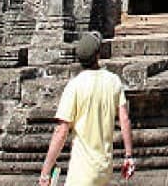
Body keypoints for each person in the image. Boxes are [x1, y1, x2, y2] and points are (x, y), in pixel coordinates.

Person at [39, 31, 135, 185]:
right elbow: (124, 119)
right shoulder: (113, 81)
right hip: (104, 169)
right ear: (98, 55)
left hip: (82, 171)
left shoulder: (75, 86)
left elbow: (61, 131)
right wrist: (129, 156)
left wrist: (45, 171)